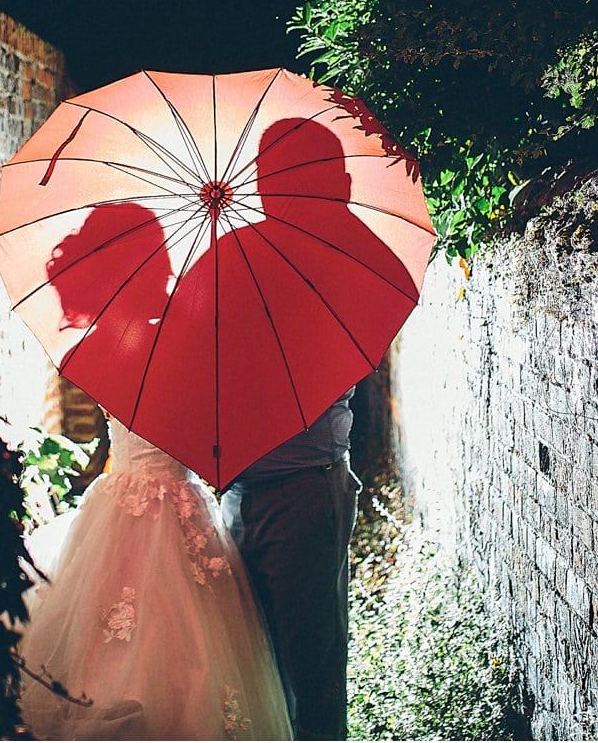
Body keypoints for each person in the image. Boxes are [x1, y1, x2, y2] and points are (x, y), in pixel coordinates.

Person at [178, 118, 421, 741]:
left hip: (304, 486)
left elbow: (366, 333)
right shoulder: (229, 255)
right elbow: (196, 358)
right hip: (236, 488)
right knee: (253, 667)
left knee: (312, 670)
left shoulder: (346, 254)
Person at [16, 204, 291, 741]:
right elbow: (204, 430)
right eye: (161, 253)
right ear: (147, 262)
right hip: (179, 502)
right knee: (192, 650)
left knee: (102, 646)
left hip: (116, 500)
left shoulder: (96, 341)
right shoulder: (174, 339)